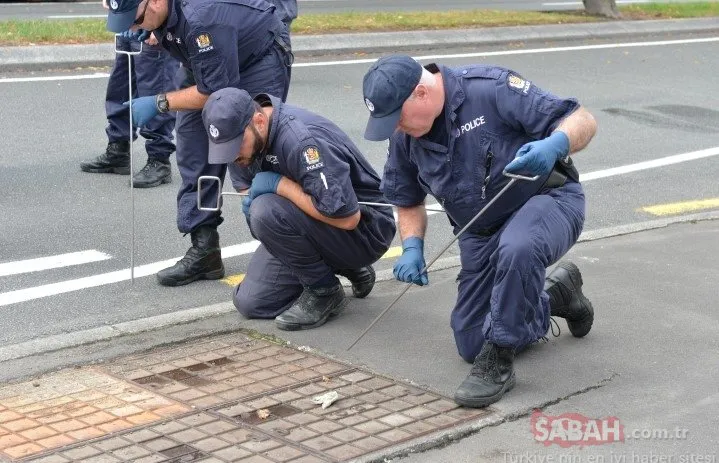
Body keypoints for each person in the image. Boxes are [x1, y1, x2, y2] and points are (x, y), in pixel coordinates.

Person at [362, 54, 597, 408]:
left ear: (421, 94)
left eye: (397, 117)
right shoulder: (406, 136)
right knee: (472, 342)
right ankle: (557, 295)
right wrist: (412, 246)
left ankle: (498, 363)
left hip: (548, 199)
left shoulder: (492, 90)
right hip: (480, 232)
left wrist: (555, 145)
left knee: (518, 247)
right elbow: (407, 199)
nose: (395, 128)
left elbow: (582, 119)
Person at [104, 0, 293, 286]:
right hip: (207, 60)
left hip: (257, 59)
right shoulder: (164, 13)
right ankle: (205, 250)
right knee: (194, 148)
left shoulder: (201, 20)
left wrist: (160, 102)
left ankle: (288, 255)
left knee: (249, 153)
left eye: (137, 19)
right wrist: (155, 30)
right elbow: (201, 63)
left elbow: (218, 90)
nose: (134, 26)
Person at [201, 87, 396, 330]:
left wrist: (278, 185)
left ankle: (325, 291)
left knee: (265, 211)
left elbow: (347, 218)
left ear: (259, 121)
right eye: (225, 148)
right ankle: (338, 265)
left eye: (235, 146)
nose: (232, 156)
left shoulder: (301, 141)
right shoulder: (239, 142)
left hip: (364, 231)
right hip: (305, 224)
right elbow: (249, 194)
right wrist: (253, 212)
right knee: (251, 303)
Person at [81, 0, 179, 188]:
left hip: (152, 17)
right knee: (120, 87)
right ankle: (118, 148)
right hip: (131, 14)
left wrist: (159, 24)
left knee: (155, 89)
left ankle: (159, 159)